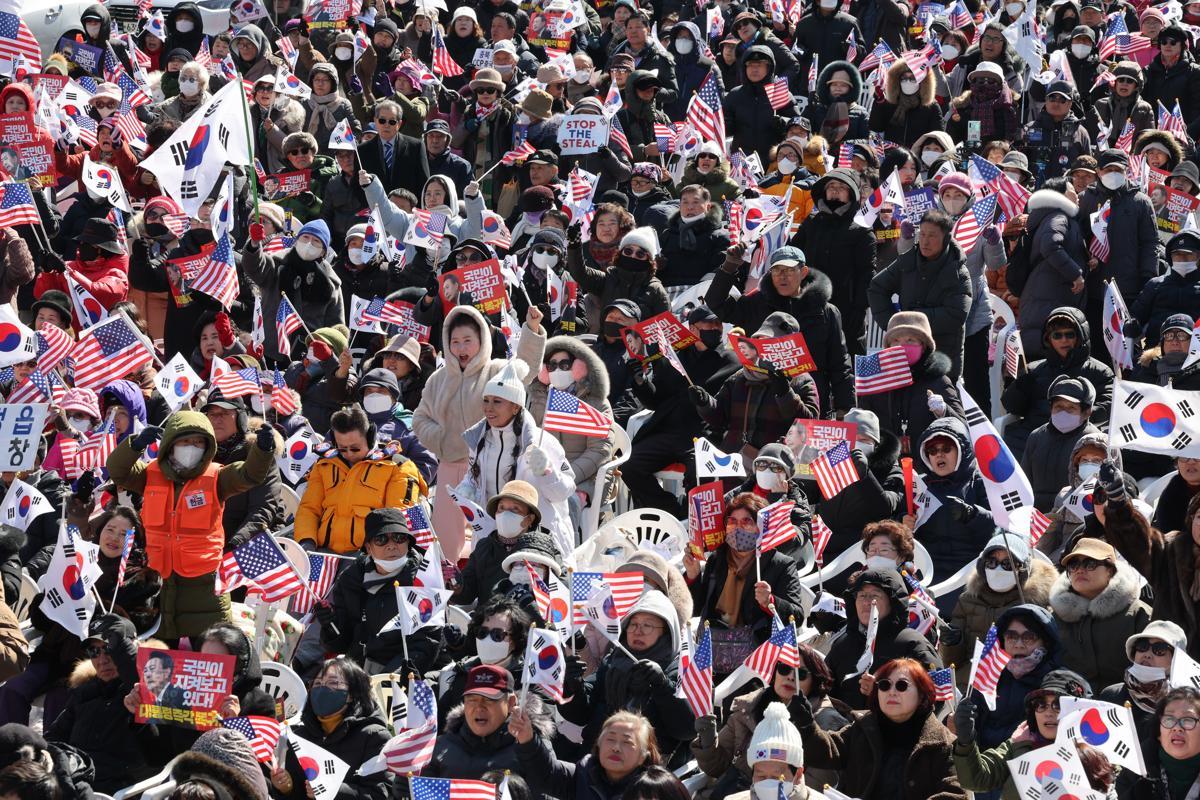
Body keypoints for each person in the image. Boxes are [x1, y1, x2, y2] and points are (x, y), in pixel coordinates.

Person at [107, 410, 276, 641]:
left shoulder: (217, 477)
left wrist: (263, 451)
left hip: (204, 588)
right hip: (158, 584)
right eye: (186, 441)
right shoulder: (150, 473)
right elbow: (117, 471)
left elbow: (249, 475)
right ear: (170, 444)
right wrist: (134, 445)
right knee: (159, 661)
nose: (192, 447)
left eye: (198, 442)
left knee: (210, 655)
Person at [411, 305, 547, 562]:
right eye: (455, 342)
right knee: (446, 531)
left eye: (468, 341)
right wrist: (441, 438)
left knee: (490, 529)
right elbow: (419, 418)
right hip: (451, 463)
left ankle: (489, 575)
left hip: (491, 463)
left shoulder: (496, 370)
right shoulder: (438, 379)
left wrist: (531, 328)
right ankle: (451, 580)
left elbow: (525, 369)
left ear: (482, 341)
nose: (461, 349)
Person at [792, 658, 967, 800]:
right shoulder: (863, 727)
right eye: (884, 685)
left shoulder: (944, 743)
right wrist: (806, 725)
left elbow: (956, 793)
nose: (891, 692)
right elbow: (827, 751)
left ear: (922, 695)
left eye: (902, 685)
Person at [558, 591, 695, 765]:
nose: (638, 631)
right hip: (597, 759)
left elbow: (687, 730)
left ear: (666, 632)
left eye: (648, 626)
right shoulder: (613, 661)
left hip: (646, 768)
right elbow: (581, 715)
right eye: (633, 624)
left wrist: (663, 685)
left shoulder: (678, 669)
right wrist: (572, 685)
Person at [694, 645, 849, 798]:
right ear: (775, 672)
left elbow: (815, 787)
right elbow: (716, 767)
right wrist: (707, 736)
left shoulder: (826, 723)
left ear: (815, 681)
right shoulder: (747, 708)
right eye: (783, 669)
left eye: (800, 673)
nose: (790, 676)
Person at [685, 493, 809, 677]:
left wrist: (770, 602)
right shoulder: (718, 558)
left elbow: (796, 617)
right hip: (712, 652)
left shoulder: (780, 564)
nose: (738, 528)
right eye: (732, 521)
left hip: (755, 660)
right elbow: (698, 608)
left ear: (761, 528)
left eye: (747, 521)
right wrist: (693, 575)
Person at [296, 405, 424, 554]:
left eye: (355, 448)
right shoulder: (324, 465)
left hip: (371, 555)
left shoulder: (398, 466)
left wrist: (377, 554)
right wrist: (306, 541)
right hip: (323, 552)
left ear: (370, 437)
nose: (349, 454)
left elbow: (398, 517)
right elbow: (309, 509)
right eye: (342, 448)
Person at [953, 669, 1094, 800]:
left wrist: (1022, 752)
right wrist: (966, 741)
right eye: (1041, 704)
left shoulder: (1097, 754)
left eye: (1059, 705)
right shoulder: (1021, 740)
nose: (1049, 712)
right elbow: (976, 780)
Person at [869, 210, 973, 380]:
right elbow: (877, 287)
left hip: (943, 353)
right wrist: (894, 323)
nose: (925, 241)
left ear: (946, 239)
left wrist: (914, 321)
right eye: (922, 234)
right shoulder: (907, 260)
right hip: (906, 349)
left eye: (932, 236)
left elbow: (956, 314)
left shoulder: (958, 272)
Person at [270, 658, 391, 800]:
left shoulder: (374, 737)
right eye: (317, 683)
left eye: (333, 683)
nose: (322, 689)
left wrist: (334, 790)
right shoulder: (299, 736)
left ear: (352, 694)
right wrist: (286, 790)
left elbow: (381, 794)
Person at [824, 571, 942, 709]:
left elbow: (936, 696)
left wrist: (881, 693)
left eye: (875, 595)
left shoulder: (913, 644)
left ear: (893, 602)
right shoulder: (843, 644)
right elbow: (823, 689)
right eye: (861, 595)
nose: (867, 602)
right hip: (846, 727)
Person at [789, 169, 877, 352]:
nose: (835, 190)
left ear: (852, 193)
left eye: (842, 187)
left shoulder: (862, 230)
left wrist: (859, 310)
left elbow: (867, 274)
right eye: (831, 186)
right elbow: (792, 255)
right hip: (808, 308)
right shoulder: (811, 223)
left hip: (847, 312)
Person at [1050, 537, 1151, 689]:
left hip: (1126, 703)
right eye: (1073, 565)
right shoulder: (1054, 618)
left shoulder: (1139, 614)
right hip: (1069, 704)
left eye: (1090, 564)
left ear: (1111, 570)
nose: (1079, 570)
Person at [427, 664, 554, 778]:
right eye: (472, 699)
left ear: (511, 703)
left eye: (489, 699)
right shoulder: (440, 747)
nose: (479, 707)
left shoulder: (532, 749)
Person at [511, 710, 662, 800]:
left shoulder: (653, 790)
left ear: (643, 755)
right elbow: (546, 773)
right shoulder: (583, 773)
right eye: (610, 739)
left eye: (627, 742)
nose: (616, 748)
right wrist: (528, 739)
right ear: (599, 744)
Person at [1100, 622, 1186, 741]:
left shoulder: (1187, 705)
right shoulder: (1110, 695)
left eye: (1159, 649)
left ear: (1176, 660)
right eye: (1142, 646)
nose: (1147, 655)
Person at [1126, 687, 1200, 800]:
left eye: (1188, 720)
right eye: (1169, 719)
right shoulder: (1135, 772)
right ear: (1159, 733)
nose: (1177, 728)